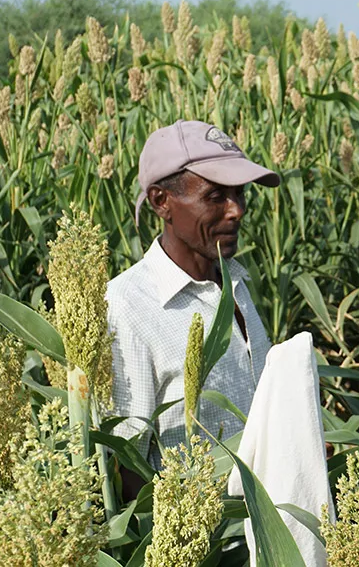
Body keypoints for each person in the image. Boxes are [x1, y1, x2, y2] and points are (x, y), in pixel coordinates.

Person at [106, 119, 277, 467]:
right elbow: (126, 465)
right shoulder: (127, 308)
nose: (237, 210)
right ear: (161, 201)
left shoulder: (235, 282)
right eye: (215, 197)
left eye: (240, 193)